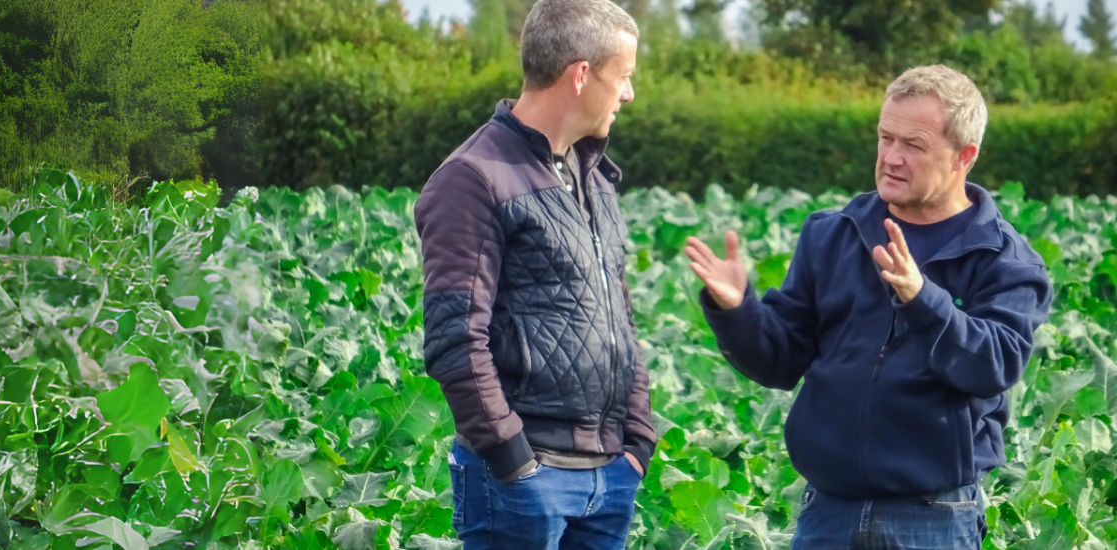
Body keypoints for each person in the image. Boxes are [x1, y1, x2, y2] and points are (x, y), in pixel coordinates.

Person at [683, 65, 1053, 550]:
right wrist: (738, 310)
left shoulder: (1005, 259)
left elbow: (993, 365)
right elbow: (780, 360)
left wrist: (923, 300)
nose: (891, 158)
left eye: (913, 145)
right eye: (885, 138)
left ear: (965, 156)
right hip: (828, 513)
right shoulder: (832, 232)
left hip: (933, 517)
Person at [413, 0, 657, 548]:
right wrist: (513, 460)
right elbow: (455, 339)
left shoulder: (592, 176)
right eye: (625, 77)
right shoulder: (474, 179)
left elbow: (620, 316)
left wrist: (637, 442)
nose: (628, 94)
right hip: (528, 480)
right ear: (580, 75)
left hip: (609, 476)